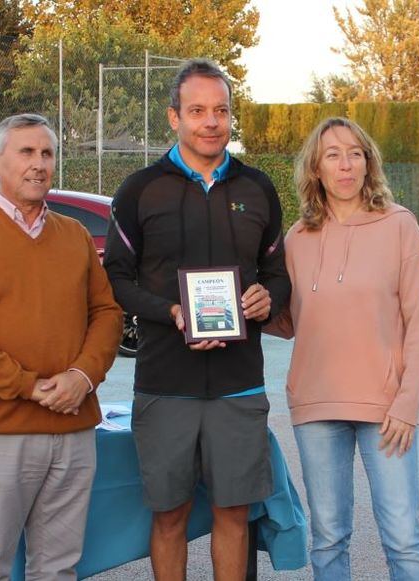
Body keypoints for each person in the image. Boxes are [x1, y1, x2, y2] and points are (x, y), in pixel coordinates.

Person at [103, 59, 291, 580]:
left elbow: (278, 274)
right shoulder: (139, 190)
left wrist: (265, 298)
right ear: (174, 117)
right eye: (198, 111)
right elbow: (116, 280)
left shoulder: (259, 188)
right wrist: (170, 312)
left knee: (234, 514)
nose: (212, 121)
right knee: (170, 516)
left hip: (238, 386)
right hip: (166, 386)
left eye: (222, 110)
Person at [0, 113, 123, 581]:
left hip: (73, 430)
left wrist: (82, 377)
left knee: (58, 568)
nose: (38, 164)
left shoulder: (75, 236)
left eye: (47, 153)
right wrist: (26, 386)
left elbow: (107, 314)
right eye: (26, 152)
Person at [267, 117, 419, 580]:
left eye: (355, 153)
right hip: (316, 405)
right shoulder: (297, 238)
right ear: (316, 168)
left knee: (402, 538)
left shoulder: (400, 225)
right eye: (333, 155)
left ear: (368, 163)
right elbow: (292, 322)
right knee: (328, 539)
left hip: (386, 411)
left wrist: (407, 403)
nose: (345, 164)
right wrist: (244, 309)